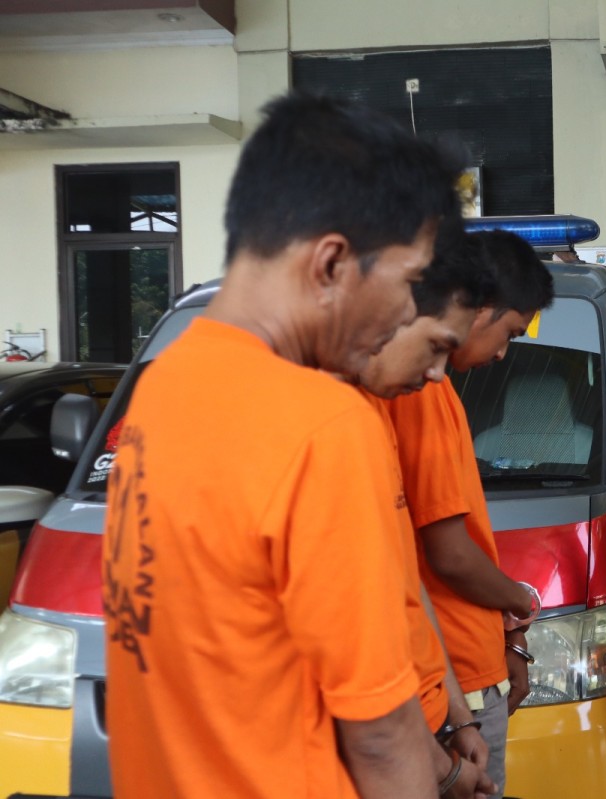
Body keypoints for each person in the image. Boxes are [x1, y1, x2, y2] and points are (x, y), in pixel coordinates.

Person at [102, 92, 460, 799]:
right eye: (411, 280)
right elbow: (383, 732)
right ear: (331, 262)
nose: (408, 313)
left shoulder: (161, 389)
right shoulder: (322, 423)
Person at [381, 229, 554, 797]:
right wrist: (521, 600)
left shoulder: (433, 389)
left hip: (457, 681)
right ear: (477, 308)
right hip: (452, 674)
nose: (504, 353)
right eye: (508, 332)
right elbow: (448, 556)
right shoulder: (421, 392)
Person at [354, 233, 505, 799]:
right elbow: (354, 662)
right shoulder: (329, 425)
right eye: (435, 345)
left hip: (435, 714)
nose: (440, 374)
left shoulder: (374, 412)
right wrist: (438, 768)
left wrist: (460, 716)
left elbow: (405, 587)